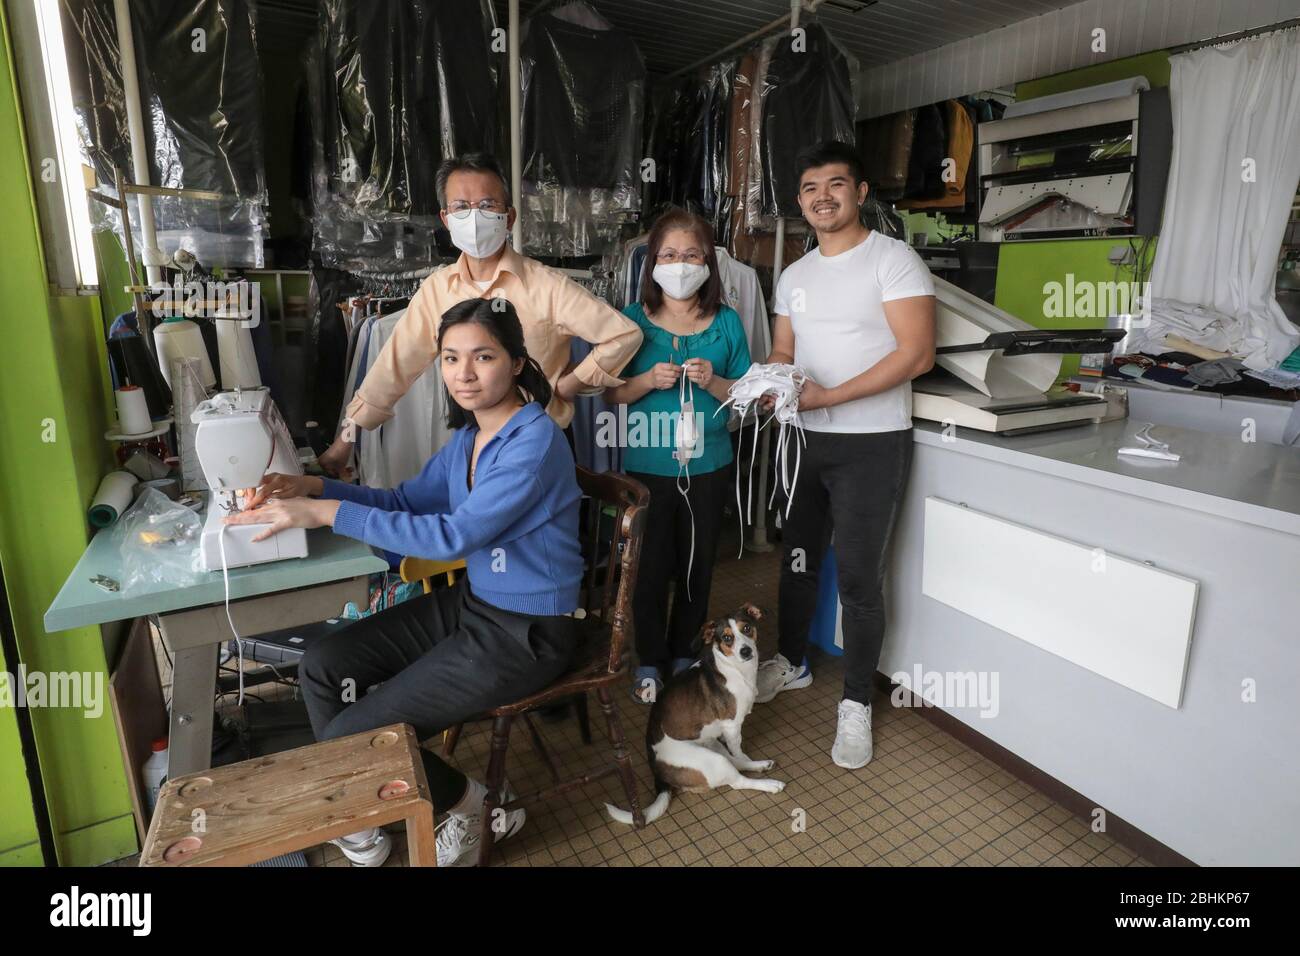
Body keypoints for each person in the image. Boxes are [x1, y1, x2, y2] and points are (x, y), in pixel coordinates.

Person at [227, 297, 584, 866]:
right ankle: (367, 805)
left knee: (361, 730)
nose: (463, 374)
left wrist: (325, 516)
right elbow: (402, 502)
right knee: (323, 665)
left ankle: (478, 805)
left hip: (531, 631)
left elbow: (453, 537)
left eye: (483, 357)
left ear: (517, 362)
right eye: (449, 359)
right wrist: (315, 489)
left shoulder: (534, 443)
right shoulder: (469, 441)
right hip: (477, 605)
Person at [755, 140, 936, 771]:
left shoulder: (894, 261)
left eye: (836, 185)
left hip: (871, 444)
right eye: (809, 189)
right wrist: (767, 384)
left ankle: (856, 703)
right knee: (796, 559)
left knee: (859, 576)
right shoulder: (795, 275)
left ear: (860, 192)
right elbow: (785, 350)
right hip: (802, 439)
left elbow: (916, 354)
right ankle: (793, 662)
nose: (822, 197)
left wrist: (831, 395)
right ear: (800, 202)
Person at [319, 151, 642, 477]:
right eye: (461, 207)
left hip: (538, 445)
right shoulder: (438, 291)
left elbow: (624, 335)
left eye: (487, 205)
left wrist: (569, 385)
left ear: (510, 217)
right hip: (468, 446)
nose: (474, 217)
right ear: (446, 219)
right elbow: (391, 370)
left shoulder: (546, 286)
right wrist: (344, 443)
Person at [604, 209, 752, 703]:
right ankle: (649, 660)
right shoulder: (628, 321)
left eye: (691, 254)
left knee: (696, 564)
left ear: (708, 262)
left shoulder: (727, 323)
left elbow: (746, 399)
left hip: (708, 466)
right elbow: (609, 396)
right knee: (648, 566)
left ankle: (687, 653)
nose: (681, 264)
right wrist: (646, 380)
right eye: (669, 255)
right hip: (649, 469)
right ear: (652, 264)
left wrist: (715, 382)